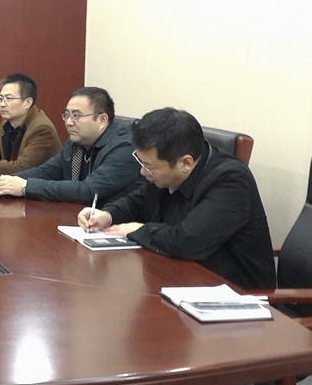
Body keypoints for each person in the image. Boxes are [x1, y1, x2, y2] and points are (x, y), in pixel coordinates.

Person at [77, 107, 276, 289]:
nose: (143, 172)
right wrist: (108, 215)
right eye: (141, 162)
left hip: (235, 295)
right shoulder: (166, 172)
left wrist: (138, 230)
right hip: (180, 279)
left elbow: (187, 241)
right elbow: (138, 200)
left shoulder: (231, 181)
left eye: (148, 166)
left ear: (185, 163)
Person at [0, 86, 143, 204]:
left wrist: (25, 186)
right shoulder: (77, 141)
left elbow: (88, 191)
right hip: (79, 217)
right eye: (66, 115)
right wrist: (9, 181)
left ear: (102, 120)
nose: (69, 122)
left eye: (76, 115)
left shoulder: (125, 148)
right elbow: (48, 170)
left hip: (115, 225)